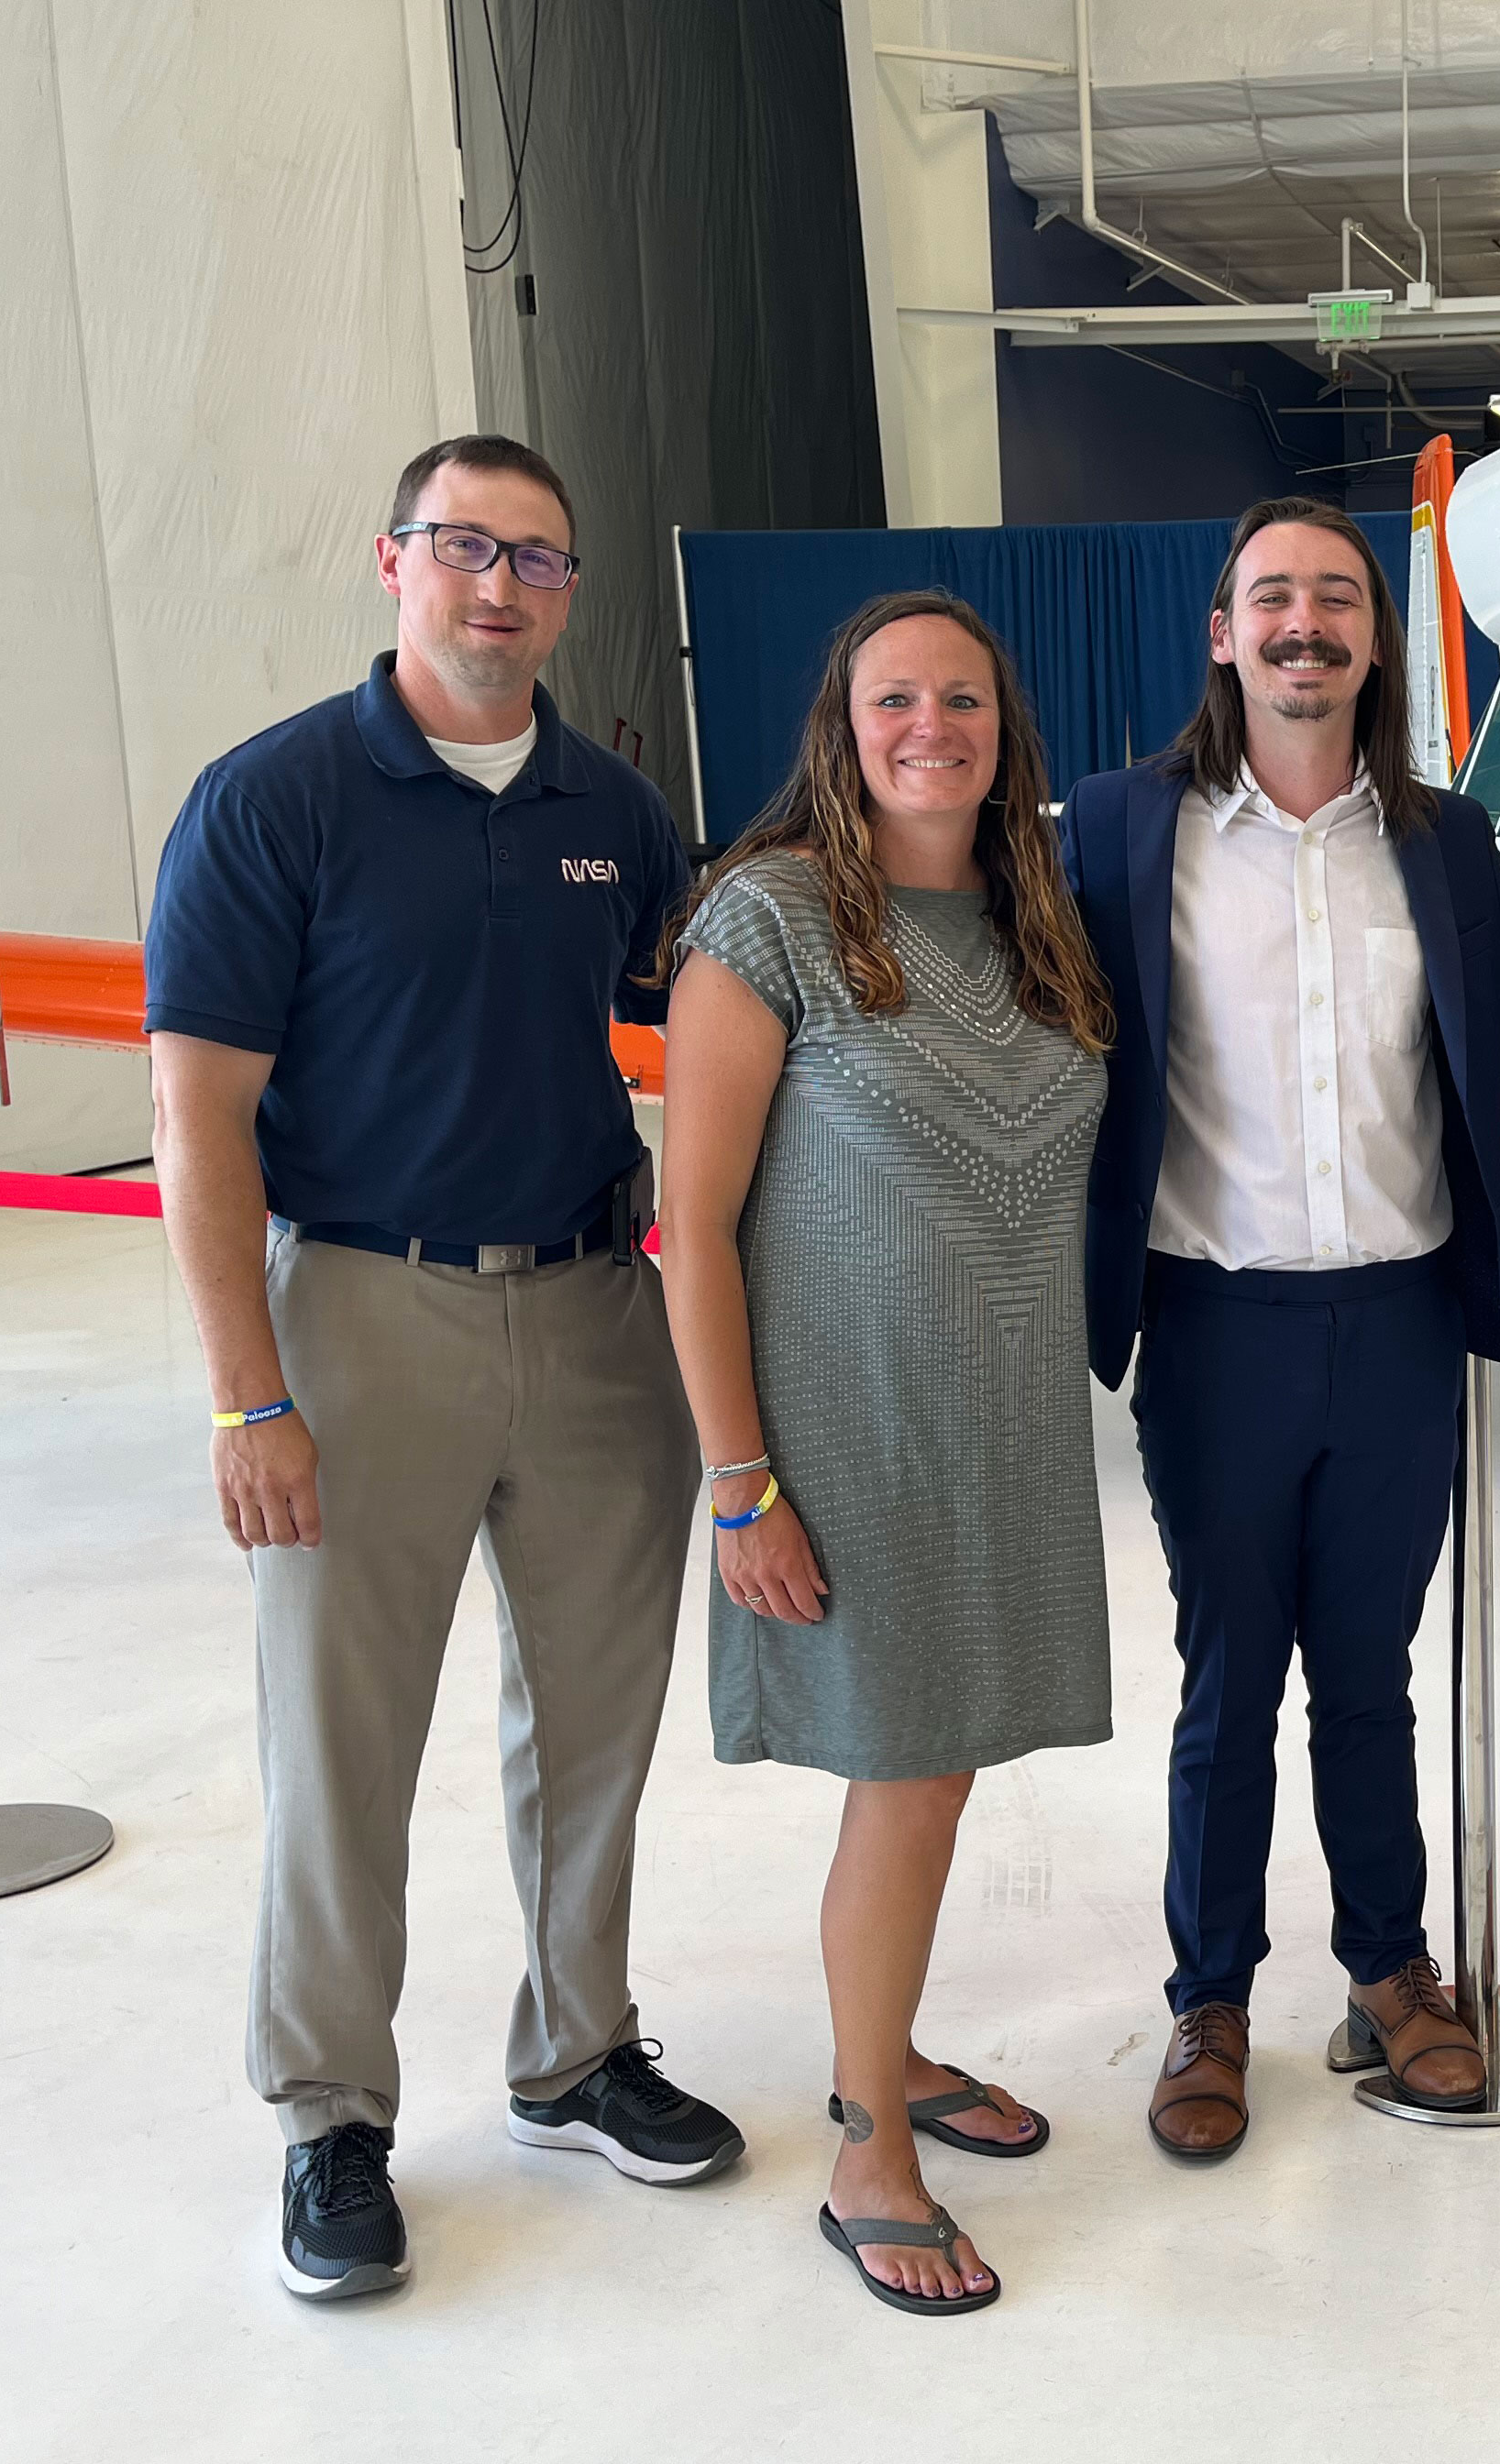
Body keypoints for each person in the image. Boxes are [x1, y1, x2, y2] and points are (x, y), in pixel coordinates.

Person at [147, 434, 741, 2304]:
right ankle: (331, 2115)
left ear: (571, 594)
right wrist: (250, 1393)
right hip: (361, 1316)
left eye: (540, 561)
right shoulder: (275, 803)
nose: (501, 586)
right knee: (344, 1740)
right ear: (392, 561)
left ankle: (576, 2052)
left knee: (591, 1727)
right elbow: (197, 1116)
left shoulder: (611, 810)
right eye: (467, 549)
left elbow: (725, 1008)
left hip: (588, 1313)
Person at [1061, 498, 1500, 2160]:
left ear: (1374, 638)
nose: (1304, 624)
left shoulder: (1439, 842)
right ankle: (1207, 2000)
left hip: (1401, 1323)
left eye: (1336, 599)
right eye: (1271, 598)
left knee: (1369, 1674)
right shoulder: (1114, 831)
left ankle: (1390, 1971)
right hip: (1212, 1323)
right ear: (1222, 630)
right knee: (1230, 1678)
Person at [654, 591, 1114, 2316]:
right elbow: (690, 1227)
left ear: (1008, 728)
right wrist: (738, 1482)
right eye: (895, 699)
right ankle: (867, 2148)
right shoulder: (766, 919)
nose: (933, 727)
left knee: (939, 1768)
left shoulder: (1034, 917)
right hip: (841, 1430)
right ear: (841, 726)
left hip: (998, 1428)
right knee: (904, 1773)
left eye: (966, 700)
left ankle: (891, 2045)